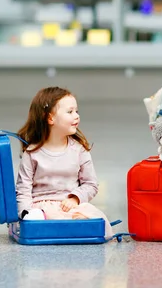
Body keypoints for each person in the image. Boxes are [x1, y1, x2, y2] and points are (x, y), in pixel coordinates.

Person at [15, 86, 112, 238]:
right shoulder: (32, 153)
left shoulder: (79, 150)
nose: (76, 116)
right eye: (70, 112)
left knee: (95, 218)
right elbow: (23, 190)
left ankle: (74, 227)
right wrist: (25, 214)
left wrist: (75, 198)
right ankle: (68, 228)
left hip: (71, 206)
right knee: (36, 218)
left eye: (76, 111)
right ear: (50, 118)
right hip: (41, 208)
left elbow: (91, 184)